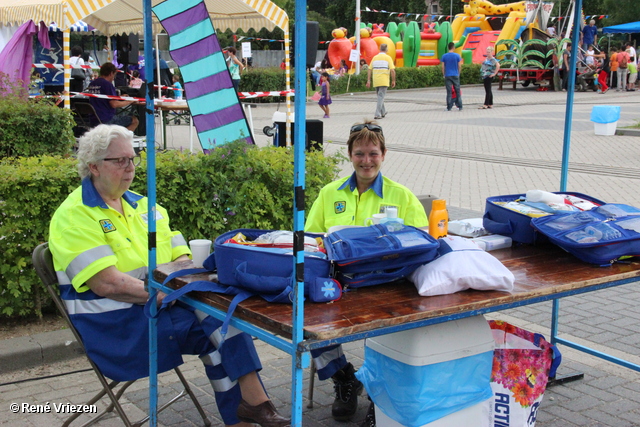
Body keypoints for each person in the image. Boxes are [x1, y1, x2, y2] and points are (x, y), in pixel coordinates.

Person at [48, 125, 290, 427]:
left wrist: (183, 283)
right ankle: (253, 406)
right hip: (119, 324)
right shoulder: (75, 215)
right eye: (120, 160)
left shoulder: (142, 204)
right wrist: (169, 294)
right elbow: (106, 282)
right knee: (217, 326)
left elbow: (180, 253)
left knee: (218, 322)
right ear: (94, 166)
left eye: (133, 158)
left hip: (160, 307)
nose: (130, 167)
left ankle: (248, 413)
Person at [305, 121, 428, 426]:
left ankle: (379, 398)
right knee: (307, 324)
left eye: (373, 153)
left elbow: (423, 240)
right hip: (337, 282)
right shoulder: (329, 192)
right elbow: (310, 238)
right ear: (350, 155)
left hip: (387, 284)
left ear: (383, 154)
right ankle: (344, 378)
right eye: (359, 153)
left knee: (386, 331)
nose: (366, 160)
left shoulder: (401, 196)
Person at [85, 63, 139, 132]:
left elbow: (103, 98)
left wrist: (119, 97)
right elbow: (114, 104)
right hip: (106, 119)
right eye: (114, 75)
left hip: (94, 120)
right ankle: (122, 139)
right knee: (134, 120)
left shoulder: (92, 84)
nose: (114, 78)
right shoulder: (108, 84)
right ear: (111, 73)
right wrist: (130, 101)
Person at [366, 44, 396, 120]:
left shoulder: (375, 58)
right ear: (386, 50)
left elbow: (369, 69)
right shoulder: (388, 58)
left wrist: (368, 80)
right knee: (380, 97)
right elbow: (392, 70)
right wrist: (393, 80)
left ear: (380, 49)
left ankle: (383, 111)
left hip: (376, 80)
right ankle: (377, 114)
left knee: (380, 97)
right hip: (384, 80)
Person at [442, 42, 463, 111]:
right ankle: (460, 106)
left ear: (448, 47)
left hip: (448, 75)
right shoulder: (457, 56)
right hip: (455, 74)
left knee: (449, 92)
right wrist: (458, 73)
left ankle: (449, 107)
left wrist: (443, 74)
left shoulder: (444, 56)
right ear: (453, 47)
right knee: (457, 91)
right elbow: (459, 66)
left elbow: (443, 67)